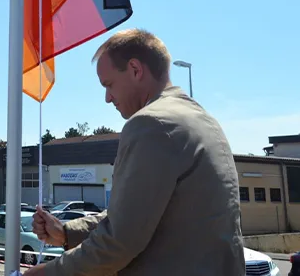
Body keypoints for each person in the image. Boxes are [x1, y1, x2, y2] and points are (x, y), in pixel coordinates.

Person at [25, 29, 245, 276]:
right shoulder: (204, 120)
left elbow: (120, 241)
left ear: (135, 70)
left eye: (109, 85)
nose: (108, 98)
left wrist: (44, 274)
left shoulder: (150, 124)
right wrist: (67, 232)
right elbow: (139, 214)